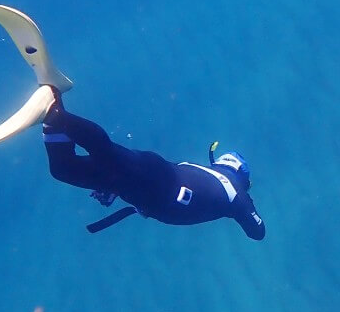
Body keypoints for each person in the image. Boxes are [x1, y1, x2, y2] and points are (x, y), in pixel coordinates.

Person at [41, 91, 266, 238]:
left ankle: (52, 120)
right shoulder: (236, 194)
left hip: (148, 181)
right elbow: (258, 232)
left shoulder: (208, 172)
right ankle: (55, 113)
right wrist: (246, 206)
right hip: (155, 186)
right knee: (102, 156)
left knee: (66, 169)